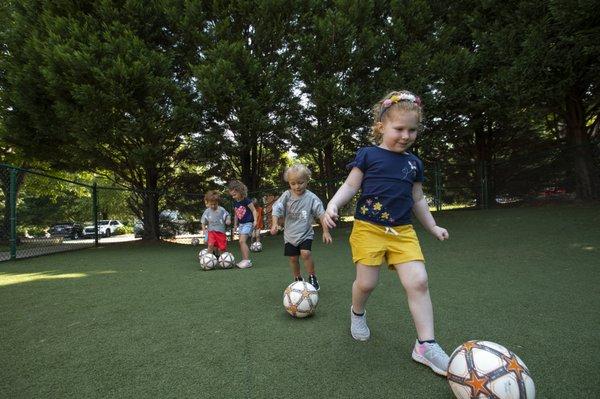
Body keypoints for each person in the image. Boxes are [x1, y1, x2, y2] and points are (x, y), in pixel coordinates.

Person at [322, 90, 451, 376]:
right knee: (366, 284)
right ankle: (357, 313)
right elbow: (350, 187)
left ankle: (426, 345)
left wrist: (432, 226)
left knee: (419, 281)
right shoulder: (367, 155)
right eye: (399, 129)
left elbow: (417, 199)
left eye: (412, 130)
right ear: (381, 126)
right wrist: (332, 204)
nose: (406, 136)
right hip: (368, 229)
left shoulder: (414, 163)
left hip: (403, 232)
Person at [270, 163, 332, 290]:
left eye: (300, 182)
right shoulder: (286, 196)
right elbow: (276, 208)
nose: (297, 186)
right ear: (289, 183)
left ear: (307, 181)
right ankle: (297, 278)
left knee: (305, 253)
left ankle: (312, 277)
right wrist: (274, 224)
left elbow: (321, 214)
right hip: (290, 235)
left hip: (305, 233)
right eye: (293, 183)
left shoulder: (311, 198)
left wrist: (326, 232)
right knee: (293, 258)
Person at [228, 180, 258, 268]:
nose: (233, 197)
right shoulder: (235, 202)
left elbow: (254, 210)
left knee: (242, 241)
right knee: (241, 242)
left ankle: (247, 261)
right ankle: (245, 259)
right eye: (232, 195)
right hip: (241, 225)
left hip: (248, 223)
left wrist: (255, 221)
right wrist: (235, 225)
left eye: (234, 194)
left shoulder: (246, 200)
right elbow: (236, 215)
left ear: (240, 191)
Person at [201, 190, 231, 258]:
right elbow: (203, 222)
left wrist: (228, 220)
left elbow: (227, 215)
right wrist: (204, 230)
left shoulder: (222, 210)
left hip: (221, 232)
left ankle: (223, 259)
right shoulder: (207, 212)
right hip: (211, 232)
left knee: (222, 248)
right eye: (211, 204)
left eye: (215, 204)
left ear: (218, 202)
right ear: (208, 203)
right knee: (210, 245)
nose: (213, 206)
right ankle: (208, 259)